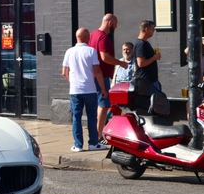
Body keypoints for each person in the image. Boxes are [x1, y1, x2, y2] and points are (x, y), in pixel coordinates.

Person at [62, 28, 108, 152]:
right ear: (87, 37)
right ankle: (93, 143)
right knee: (92, 117)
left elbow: (64, 72)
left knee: (76, 117)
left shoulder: (69, 52)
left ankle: (78, 145)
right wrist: (103, 88)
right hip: (90, 89)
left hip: (75, 90)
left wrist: (73, 83)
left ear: (77, 37)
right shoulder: (91, 51)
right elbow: (97, 71)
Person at [89, 13, 128, 143]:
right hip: (101, 76)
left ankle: (96, 134)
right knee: (103, 105)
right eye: (115, 25)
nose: (116, 27)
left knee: (97, 105)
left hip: (93, 75)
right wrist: (121, 63)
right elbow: (105, 57)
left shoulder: (93, 34)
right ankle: (99, 136)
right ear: (110, 23)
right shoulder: (103, 37)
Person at [133, 20, 162, 92]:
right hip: (146, 81)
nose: (154, 31)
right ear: (146, 29)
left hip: (150, 80)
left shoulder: (145, 42)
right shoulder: (141, 44)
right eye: (152, 29)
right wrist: (154, 57)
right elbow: (141, 63)